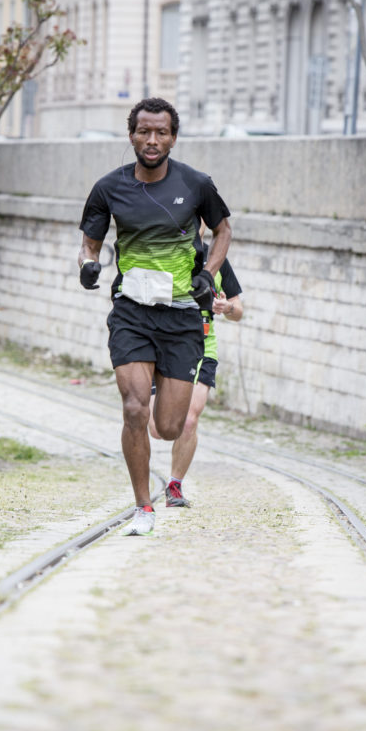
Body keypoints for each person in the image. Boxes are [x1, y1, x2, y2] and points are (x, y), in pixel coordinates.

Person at [78, 97, 232, 536]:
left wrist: (208, 273)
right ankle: (143, 507)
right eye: (144, 132)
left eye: (160, 132)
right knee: (132, 409)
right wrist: (89, 264)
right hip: (132, 312)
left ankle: (163, 388)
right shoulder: (109, 187)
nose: (151, 140)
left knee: (168, 426)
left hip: (182, 316)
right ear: (131, 136)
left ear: (173, 137)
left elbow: (223, 230)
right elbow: (90, 242)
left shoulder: (196, 184)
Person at [149, 233, 243, 507]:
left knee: (189, 420)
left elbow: (239, 310)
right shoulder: (162, 251)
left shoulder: (216, 258)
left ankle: (174, 486)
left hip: (203, 347)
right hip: (164, 344)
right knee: (157, 429)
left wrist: (226, 307)